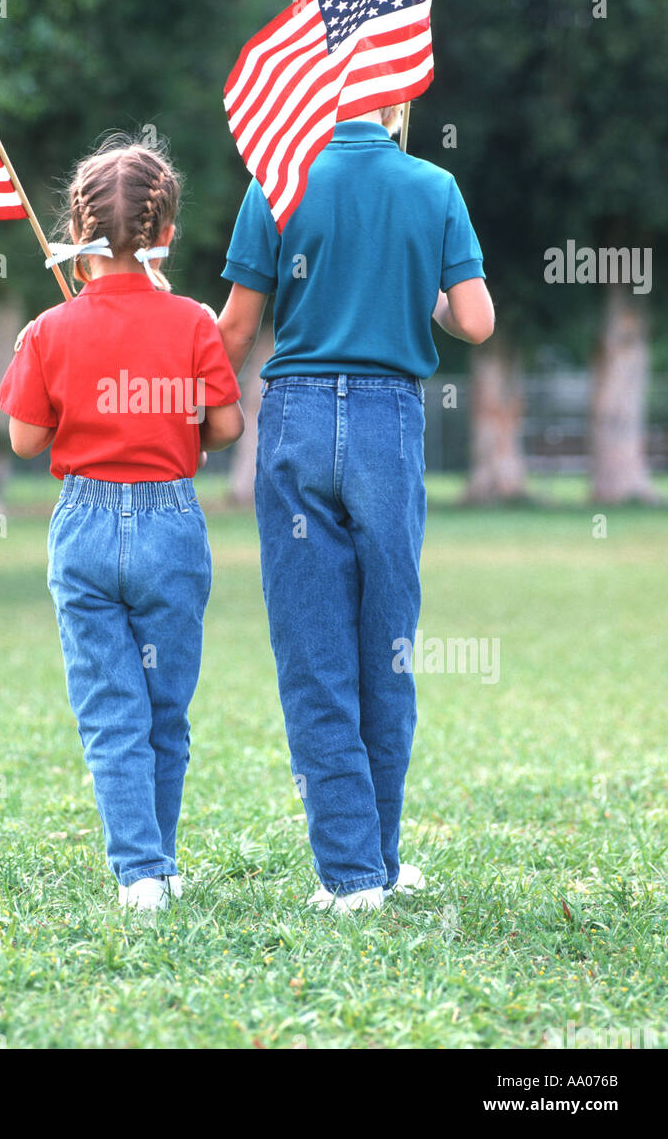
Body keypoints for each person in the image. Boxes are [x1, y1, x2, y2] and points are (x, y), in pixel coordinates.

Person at [216, 104, 494, 914]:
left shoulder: (276, 178)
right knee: (389, 646)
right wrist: (424, 295)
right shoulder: (433, 185)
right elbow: (473, 321)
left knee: (314, 651)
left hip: (297, 417)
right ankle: (378, 856)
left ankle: (350, 875)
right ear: (401, 97)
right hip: (389, 423)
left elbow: (236, 330)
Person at [0, 137, 244, 912]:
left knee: (111, 708)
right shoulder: (195, 321)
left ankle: (140, 873)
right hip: (171, 521)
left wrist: (42, 358)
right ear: (164, 235)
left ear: (75, 229)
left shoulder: (47, 329)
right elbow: (227, 428)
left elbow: (25, 440)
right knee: (163, 707)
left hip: (84, 525)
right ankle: (158, 862)